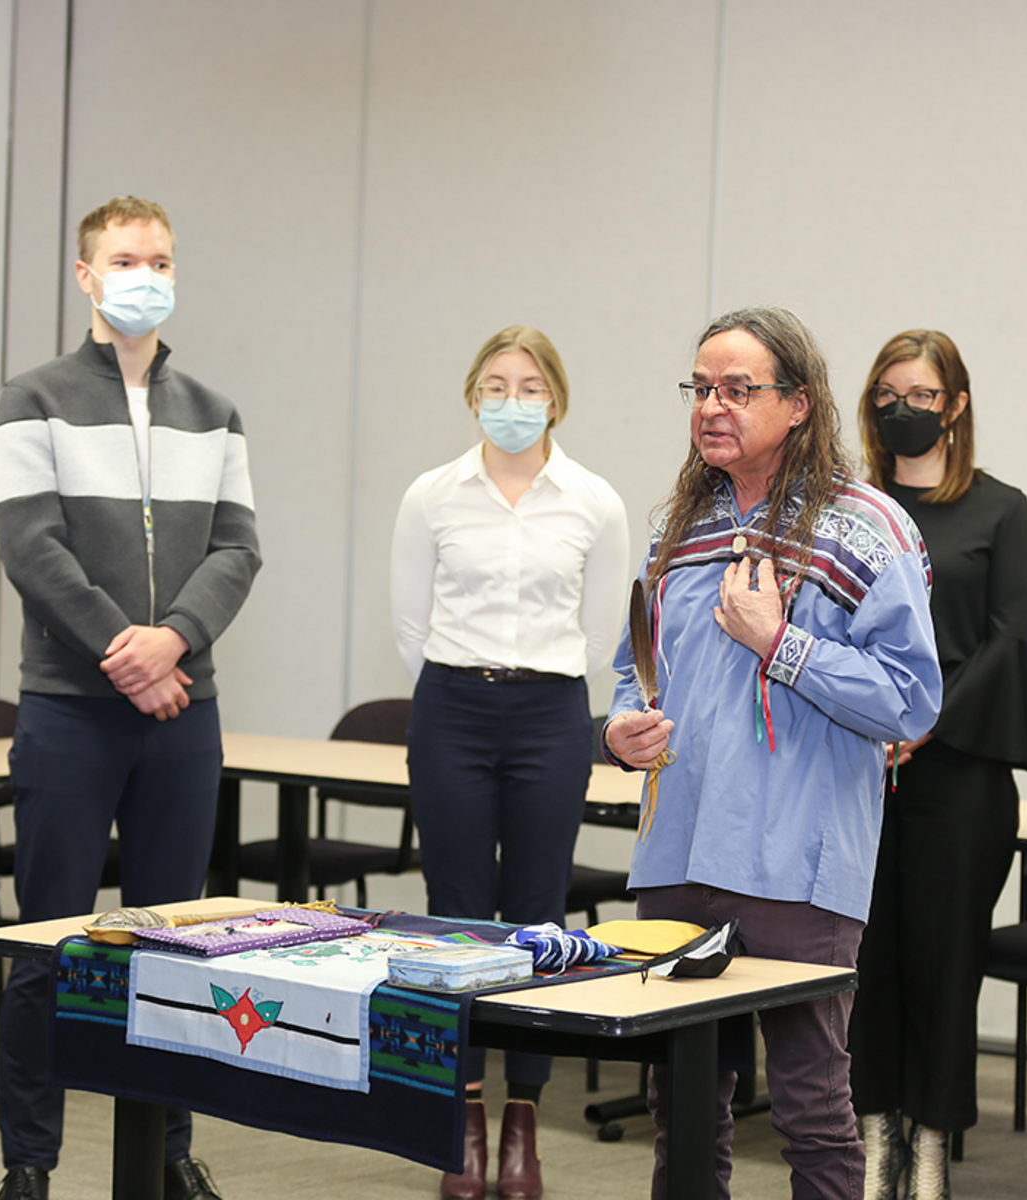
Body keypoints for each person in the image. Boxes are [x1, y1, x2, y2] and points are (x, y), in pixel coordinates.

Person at [605, 307, 941, 1200]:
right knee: (680, 1101)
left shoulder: (867, 527)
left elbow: (909, 701)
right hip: (678, 851)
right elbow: (630, 668)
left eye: (738, 389)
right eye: (701, 389)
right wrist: (619, 729)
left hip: (795, 862)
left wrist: (781, 644)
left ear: (797, 403)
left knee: (809, 1105)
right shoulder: (679, 526)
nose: (712, 406)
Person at [0, 196, 261, 1200]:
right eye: (124, 258)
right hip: (70, 706)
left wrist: (173, 643)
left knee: (177, 942)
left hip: (184, 710)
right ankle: (30, 1162)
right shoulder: (33, 399)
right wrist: (123, 648)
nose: (143, 272)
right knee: (46, 942)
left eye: (159, 258)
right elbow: (30, 544)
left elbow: (239, 547)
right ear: (85, 275)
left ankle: (168, 1150)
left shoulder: (214, 409)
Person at [391, 325, 630, 1199]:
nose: (514, 401)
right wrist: (469, 685)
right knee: (453, 916)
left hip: (550, 714)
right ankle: (462, 1112)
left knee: (536, 914)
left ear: (556, 400)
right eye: (497, 385)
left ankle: (524, 1118)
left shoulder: (593, 501)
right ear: (472, 395)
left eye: (531, 387)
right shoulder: (432, 495)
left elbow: (601, 629)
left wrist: (532, 685)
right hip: (452, 706)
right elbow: (411, 625)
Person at [845, 330, 1027, 1200]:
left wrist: (922, 721)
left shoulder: (1001, 509)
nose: (904, 408)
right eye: (888, 393)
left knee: (943, 965)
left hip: (960, 773)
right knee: (865, 964)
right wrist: (878, 718)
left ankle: (931, 1148)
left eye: (922, 395)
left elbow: (1010, 641)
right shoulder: (853, 510)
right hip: (859, 769)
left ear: (956, 406)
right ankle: (872, 1139)